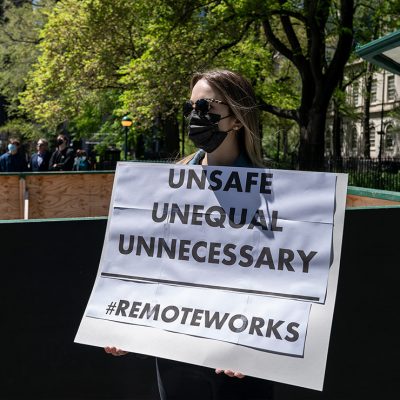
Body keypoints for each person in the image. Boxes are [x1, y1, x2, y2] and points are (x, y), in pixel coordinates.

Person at [105, 70, 274, 400]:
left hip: (240, 361)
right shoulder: (166, 186)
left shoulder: (277, 193)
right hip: (176, 355)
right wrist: (124, 325)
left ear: (237, 119)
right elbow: (146, 264)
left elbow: (284, 276)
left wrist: (261, 346)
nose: (197, 116)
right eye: (192, 107)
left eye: (207, 106)